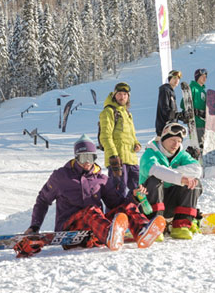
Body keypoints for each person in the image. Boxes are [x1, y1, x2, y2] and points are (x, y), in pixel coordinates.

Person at [15, 135, 165, 258]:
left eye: (91, 157)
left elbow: (116, 203)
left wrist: (134, 198)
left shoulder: (101, 178)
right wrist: (35, 226)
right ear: (76, 157)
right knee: (91, 210)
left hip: (96, 228)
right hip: (69, 230)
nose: (87, 162)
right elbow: (43, 200)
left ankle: (142, 232)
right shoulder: (61, 176)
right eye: (82, 158)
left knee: (127, 206)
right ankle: (110, 237)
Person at [139, 122, 203, 241]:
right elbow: (155, 170)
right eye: (173, 140)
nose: (176, 144)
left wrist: (170, 172)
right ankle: (154, 225)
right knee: (154, 180)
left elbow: (197, 169)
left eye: (179, 141)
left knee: (194, 182)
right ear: (163, 139)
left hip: (171, 204)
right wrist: (180, 177)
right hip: (148, 205)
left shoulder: (181, 155)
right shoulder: (149, 154)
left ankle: (180, 225)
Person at [99, 82, 142, 201]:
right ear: (114, 95)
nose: (122, 97)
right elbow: (105, 136)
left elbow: (131, 135)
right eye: (119, 94)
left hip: (131, 159)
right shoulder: (109, 111)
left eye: (125, 94)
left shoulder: (127, 113)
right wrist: (113, 156)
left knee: (140, 190)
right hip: (118, 160)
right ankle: (115, 216)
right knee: (118, 191)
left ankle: (136, 215)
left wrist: (136, 144)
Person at [155, 70, 187, 138]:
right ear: (170, 79)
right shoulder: (165, 90)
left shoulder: (171, 92)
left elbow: (171, 111)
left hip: (171, 127)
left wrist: (181, 117)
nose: (177, 80)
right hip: (165, 128)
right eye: (174, 78)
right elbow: (165, 109)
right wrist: (177, 115)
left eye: (178, 78)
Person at [180, 69, 207, 147]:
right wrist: (193, 111)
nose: (204, 78)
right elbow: (183, 104)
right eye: (202, 76)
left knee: (203, 145)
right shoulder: (192, 88)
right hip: (196, 123)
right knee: (199, 145)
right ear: (197, 77)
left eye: (205, 76)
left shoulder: (203, 91)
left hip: (203, 123)